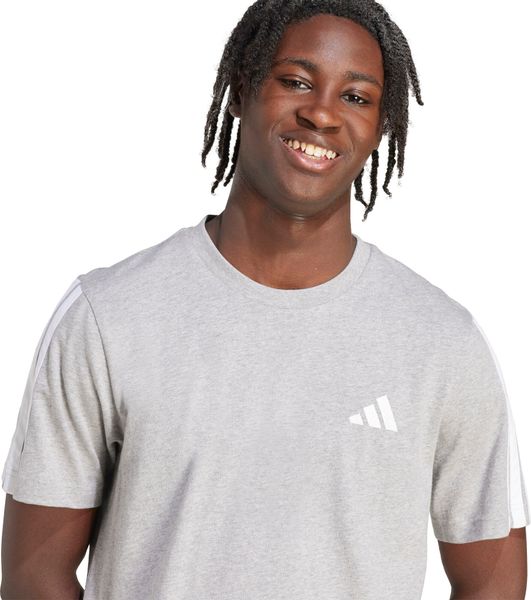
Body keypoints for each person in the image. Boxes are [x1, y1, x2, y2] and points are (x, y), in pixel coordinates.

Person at [1, 0, 529, 598]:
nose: (322, 112)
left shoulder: (443, 341)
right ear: (240, 89)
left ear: (382, 127)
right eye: (296, 82)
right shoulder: (108, 315)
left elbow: (493, 582)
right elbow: (33, 576)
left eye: (356, 96)